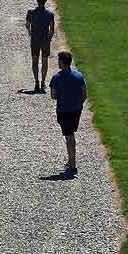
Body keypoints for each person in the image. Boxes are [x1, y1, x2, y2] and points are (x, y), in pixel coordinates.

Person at [49, 50, 87, 178]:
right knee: (70, 134)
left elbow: (53, 95)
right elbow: (84, 95)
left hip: (64, 111)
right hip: (76, 110)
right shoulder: (79, 76)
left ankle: (73, 165)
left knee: (69, 137)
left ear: (62, 63)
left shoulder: (56, 78)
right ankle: (70, 161)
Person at [25, 0, 55, 92]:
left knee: (35, 61)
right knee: (45, 61)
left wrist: (30, 33)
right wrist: (49, 39)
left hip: (35, 40)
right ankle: (43, 82)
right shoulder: (50, 14)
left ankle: (36, 81)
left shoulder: (30, 12)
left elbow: (27, 24)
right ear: (45, 1)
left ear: (37, 1)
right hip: (45, 41)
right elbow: (52, 30)